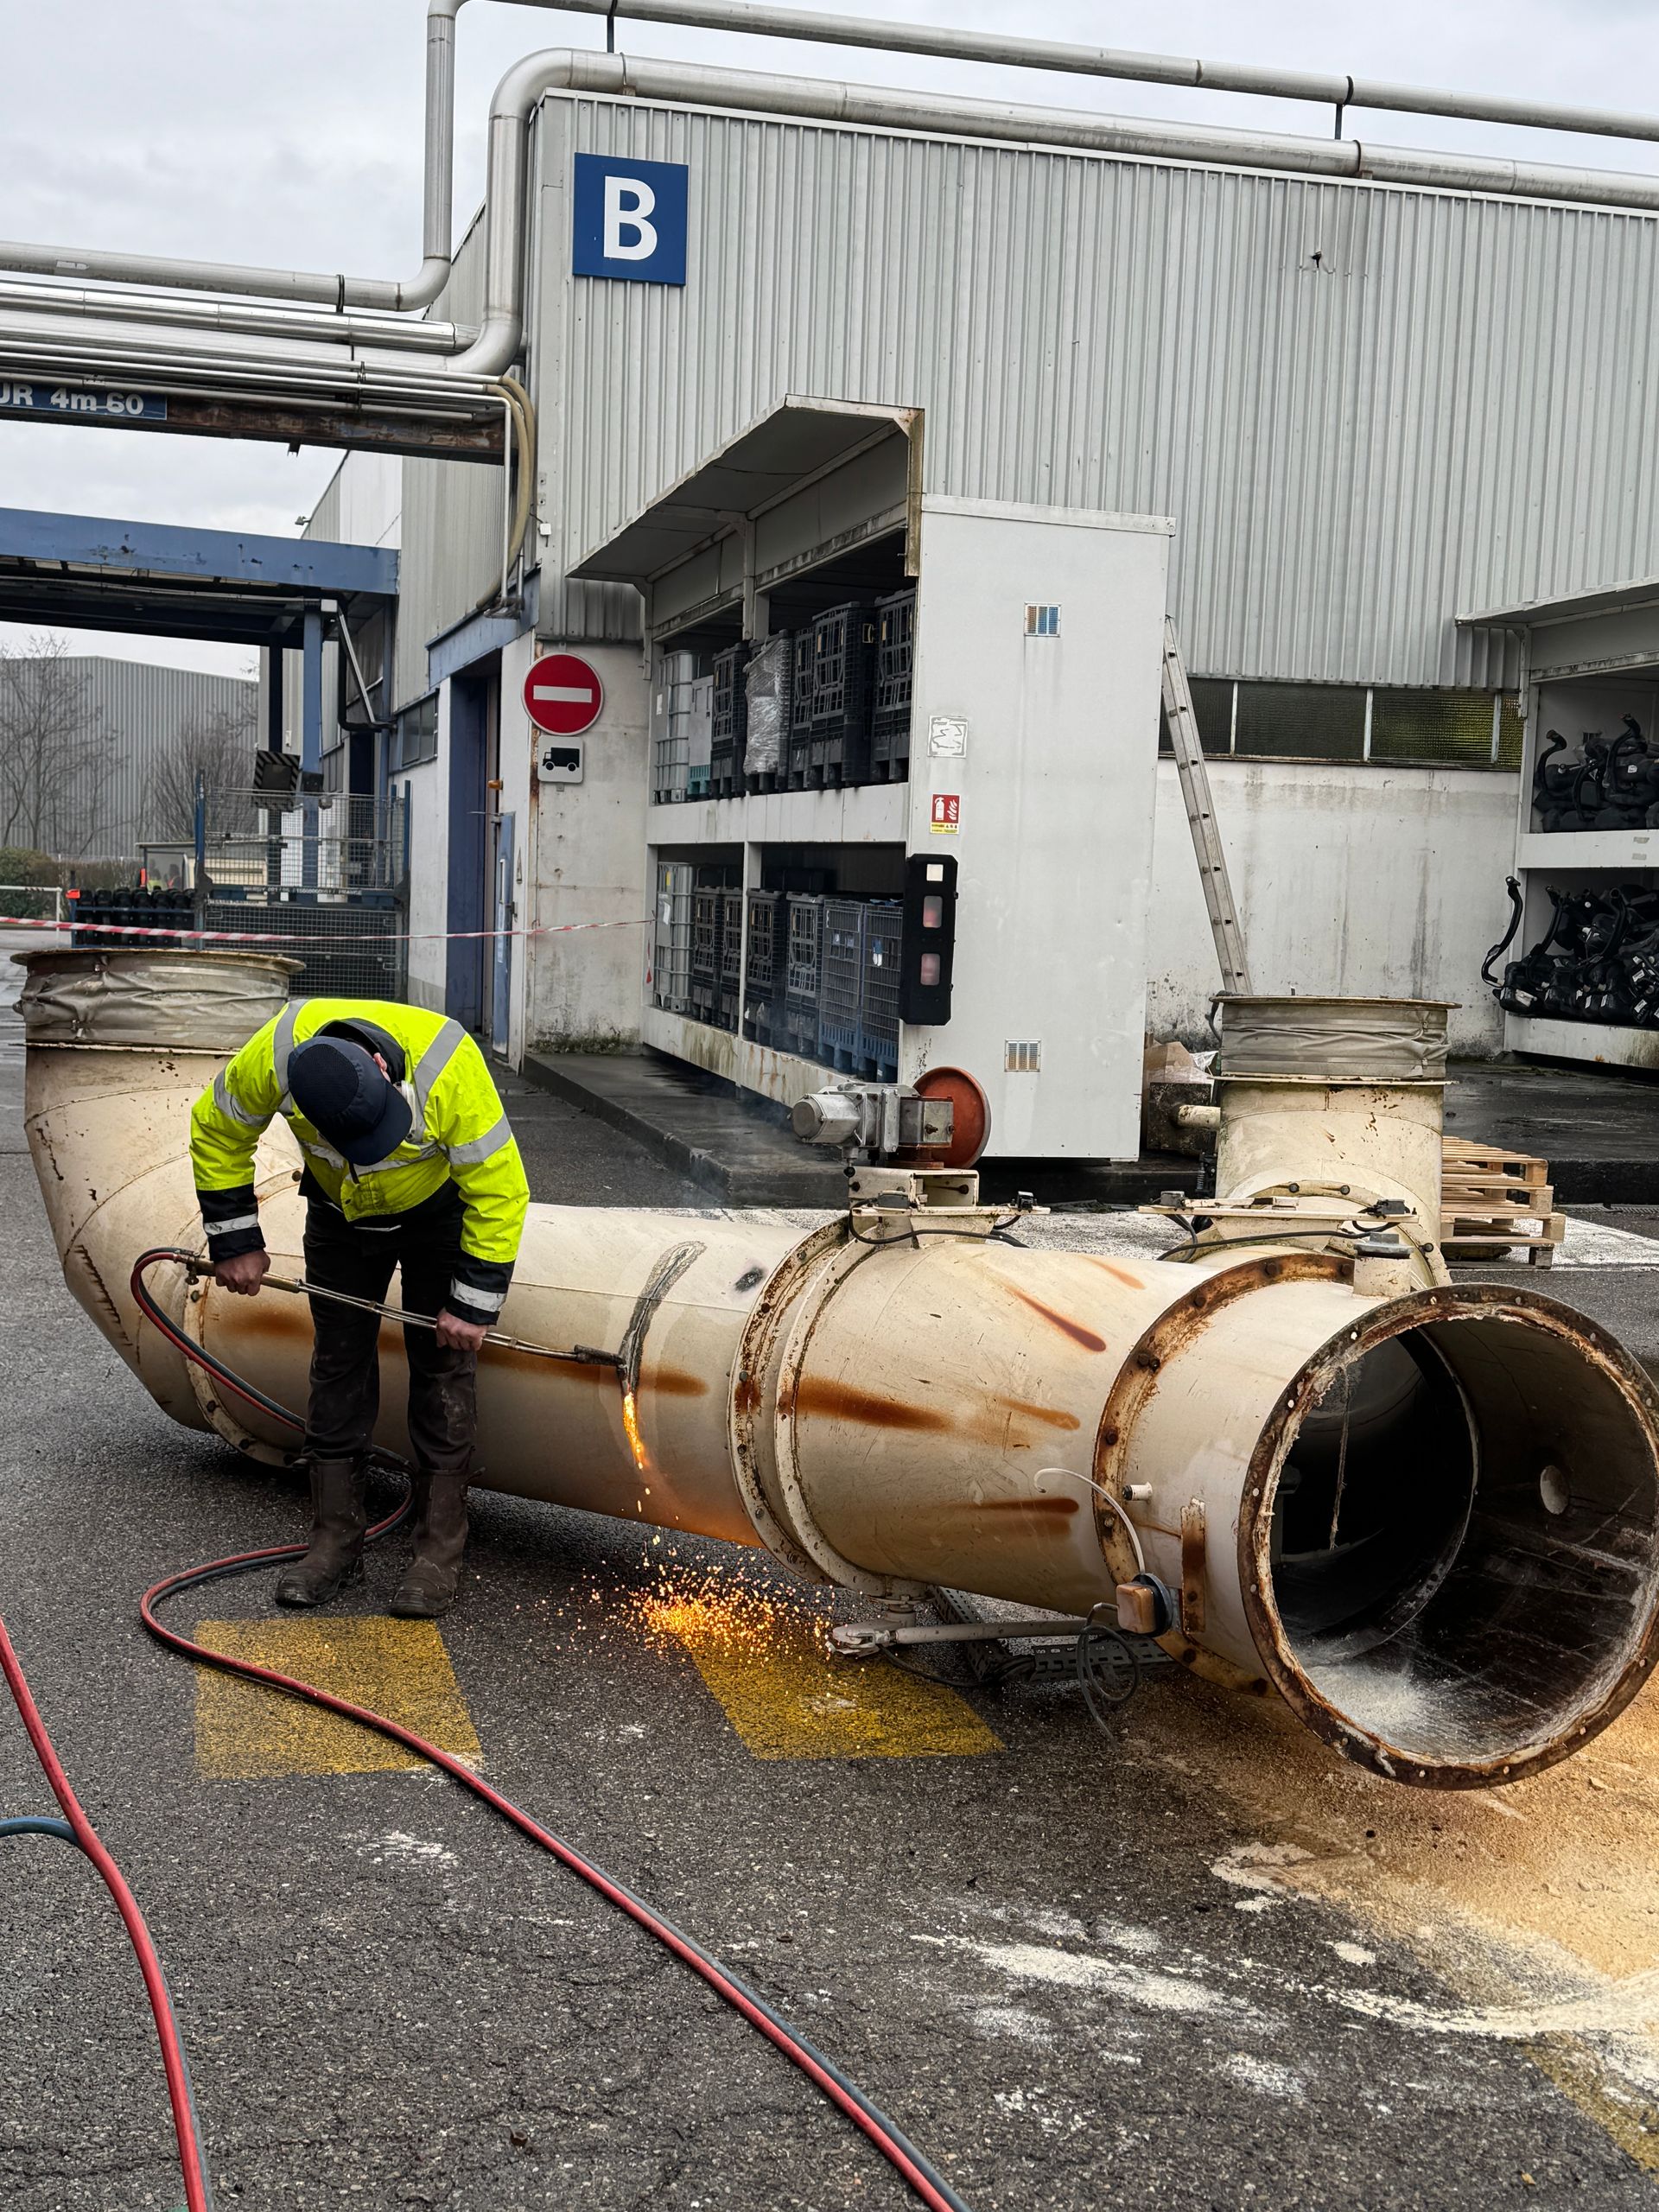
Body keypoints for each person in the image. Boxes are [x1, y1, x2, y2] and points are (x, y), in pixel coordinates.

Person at [188, 999, 530, 1618]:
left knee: (442, 1368)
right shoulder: (273, 1055)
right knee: (339, 1363)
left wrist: (472, 1303)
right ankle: (335, 1542)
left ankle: (437, 1557)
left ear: (382, 1066)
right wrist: (236, 1240)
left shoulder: (448, 1063)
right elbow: (217, 1128)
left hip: (436, 1215)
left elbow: (502, 1189)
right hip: (339, 1212)